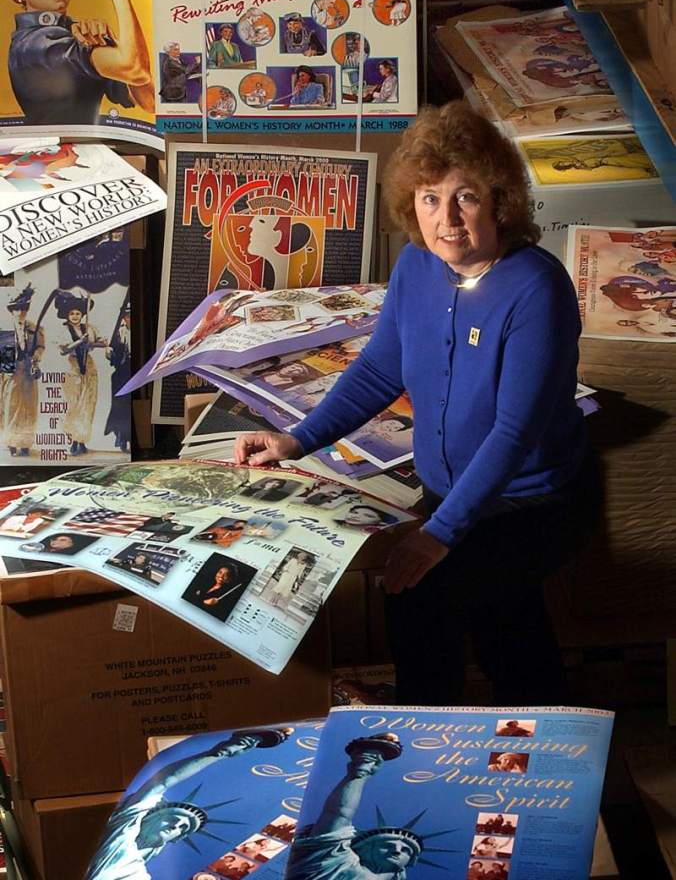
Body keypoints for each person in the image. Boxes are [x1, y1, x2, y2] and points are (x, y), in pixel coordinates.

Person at [234, 101, 601, 707]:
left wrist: (439, 536)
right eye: (430, 198)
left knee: (429, 598)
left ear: (501, 201)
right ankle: (524, 739)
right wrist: (297, 439)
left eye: (466, 197)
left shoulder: (537, 288)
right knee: (500, 628)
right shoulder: (416, 267)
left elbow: (512, 434)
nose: (447, 219)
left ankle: (433, 739)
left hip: (532, 503)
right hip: (450, 495)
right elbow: (381, 369)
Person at [86, 727, 293, 880]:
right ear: (148, 817)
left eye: (183, 828)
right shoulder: (121, 836)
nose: (176, 826)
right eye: (175, 819)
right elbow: (161, 783)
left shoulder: (140, 873)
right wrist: (224, 750)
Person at [2, 0, 153, 125]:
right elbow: (134, 69)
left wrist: (110, 40)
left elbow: (149, 101)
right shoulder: (35, 44)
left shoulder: (71, 33)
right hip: (53, 149)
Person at [286, 732, 450, 880]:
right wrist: (360, 773)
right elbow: (338, 814)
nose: (397, 851)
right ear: (364, 849)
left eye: (406, 850)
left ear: (411, 861)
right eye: (386, 846)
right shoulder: (337, 862)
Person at [57, 291, 106, 456]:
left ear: (82, 314)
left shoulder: (89, 327)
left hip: (89, 369)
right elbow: (64, 350)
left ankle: (81, 441)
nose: (75, 316)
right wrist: (80, 341)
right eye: (72, 313)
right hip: (72, 370)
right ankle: (73, 440)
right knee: (74, 406)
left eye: (78, 313)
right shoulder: (64, 330)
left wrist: (96, 343)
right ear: (67, 315)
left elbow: (99, 342)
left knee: (87, 405)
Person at [5, 285, 44, 457]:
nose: (20, 312)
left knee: (29, 406)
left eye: (23, 309)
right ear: (12, 311)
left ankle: (26, 443)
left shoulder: (34, 328)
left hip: (29, 371)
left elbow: (40, 346)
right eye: (17, 309)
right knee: (12, 406)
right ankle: (12, 443)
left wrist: (35, 359)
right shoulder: (4, 330)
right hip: (12, 372)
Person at [105, 299, 131, 453]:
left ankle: (127, 437)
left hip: (133, 373)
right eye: (127, 316)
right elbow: (112, 356)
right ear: (123, 317)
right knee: (118, 406)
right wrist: (109, 353)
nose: (129, 319)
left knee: (129, 406)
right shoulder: (117, 333)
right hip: (120, 374)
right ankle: (120, 435)